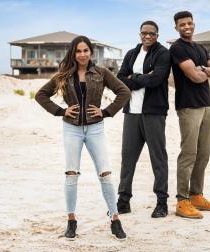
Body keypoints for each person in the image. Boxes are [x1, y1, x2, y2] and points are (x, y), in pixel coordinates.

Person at [35, 36, 130, 240]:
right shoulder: (64, 75)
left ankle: (115, 219)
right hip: (72, 129)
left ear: (91, 52)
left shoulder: (101, 73)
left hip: (96, 128)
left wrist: (106, 111)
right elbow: (41, 95)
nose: (82, 54)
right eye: (78, 51)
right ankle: (71, 221)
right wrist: (61, 111)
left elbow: (124, 91)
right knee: (71, 175)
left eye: (86, 50)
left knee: (105, 174)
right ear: (73, 53)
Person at [116, 21, 170, 218]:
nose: (147, 37)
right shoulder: (131, 54)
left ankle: (162, 202)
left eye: (152, 34)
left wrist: (133, 77)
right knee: (127, 158)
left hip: (154, 113)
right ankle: (123, 201)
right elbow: (120, 79)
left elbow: (156, 79)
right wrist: (141, 77)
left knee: (158, 158)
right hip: (131, 113)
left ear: (157, 35)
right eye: (144, 33)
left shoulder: (163, 54)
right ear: (140, 34)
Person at [169, 11, 210, 219]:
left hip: (206, 105)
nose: (186, 26)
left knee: (204, 153)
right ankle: (182, 200)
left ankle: (197, 195)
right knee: (189, 153)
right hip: (188, 106)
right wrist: (204, 70)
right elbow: (196, 76)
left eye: (189, 23)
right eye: (182, 24)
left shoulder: (200, 48)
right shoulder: (177, 48)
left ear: (194, 24)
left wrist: (203, 69)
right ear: (176, 28)